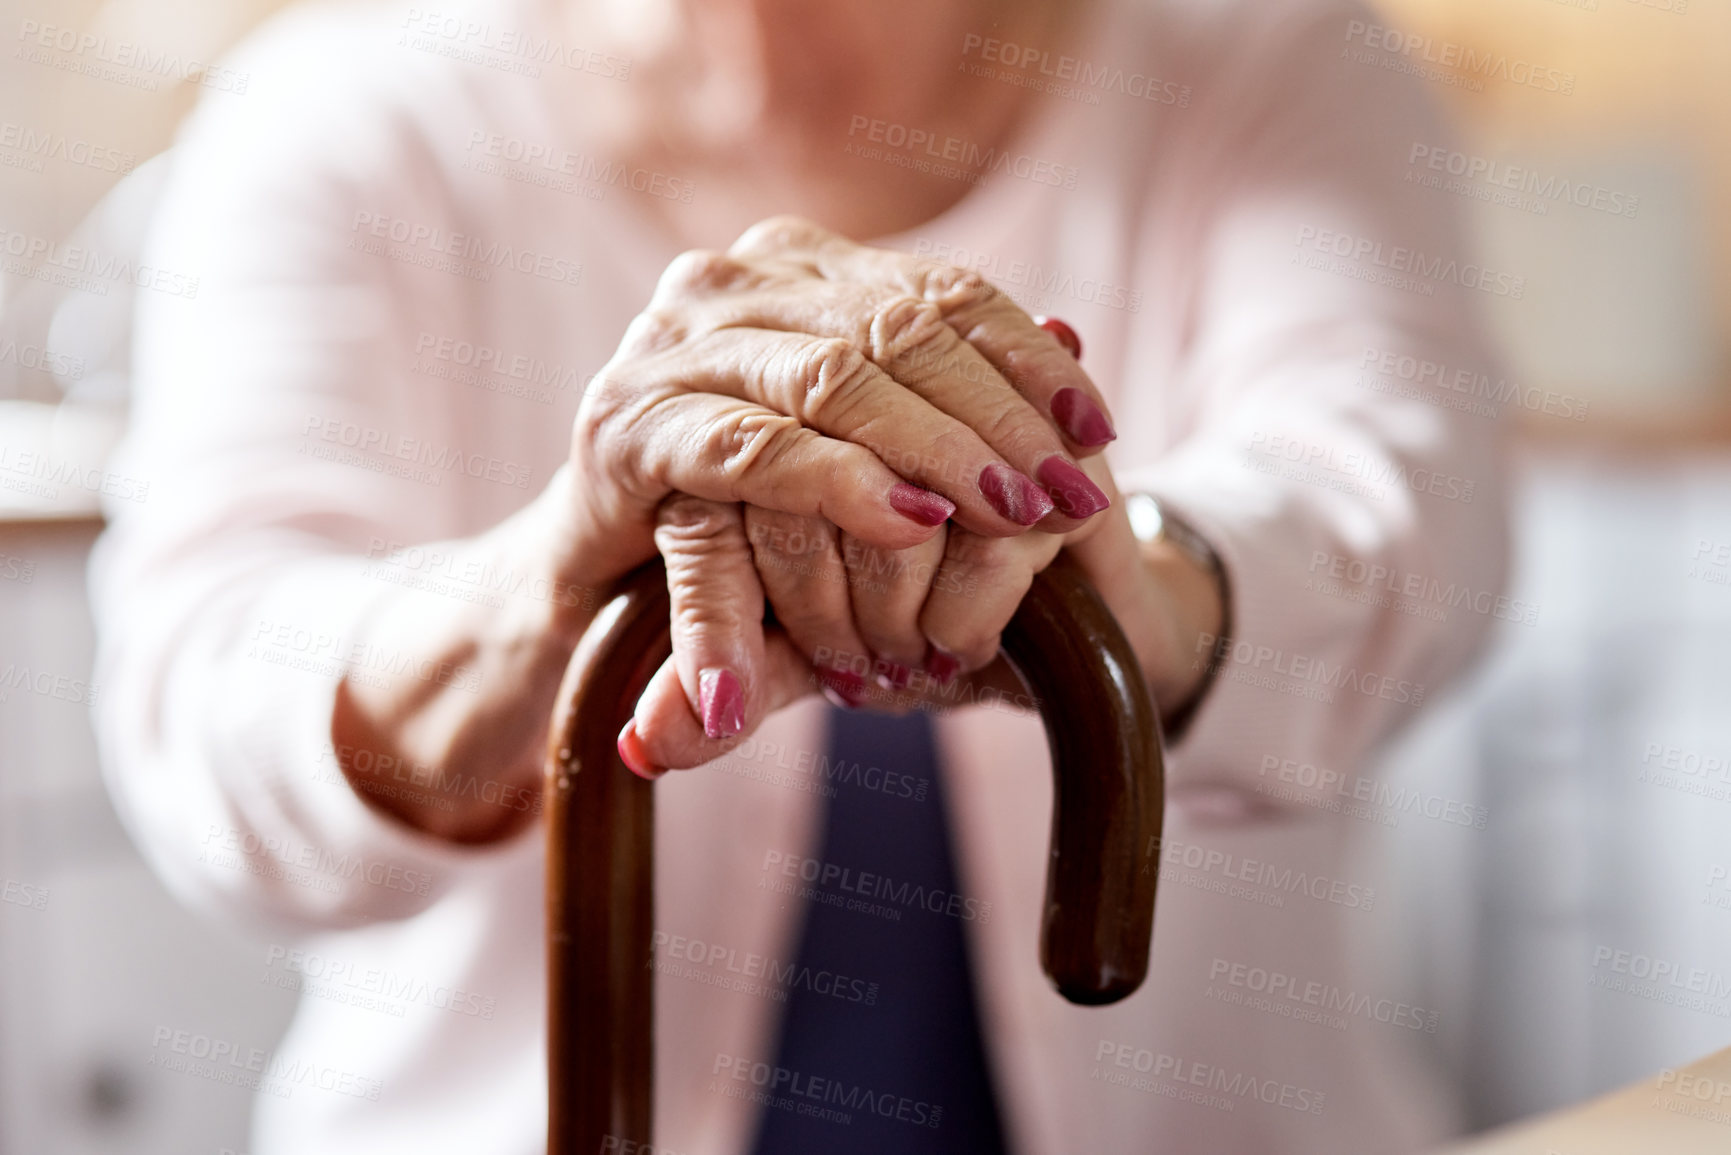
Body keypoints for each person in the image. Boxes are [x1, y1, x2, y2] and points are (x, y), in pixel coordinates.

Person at [91, 0, 1508, 1150]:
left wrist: (1104, 588)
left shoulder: (1271, 54)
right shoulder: (340, 115)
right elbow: (213, 698)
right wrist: (552, 581)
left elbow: (1403, 532)